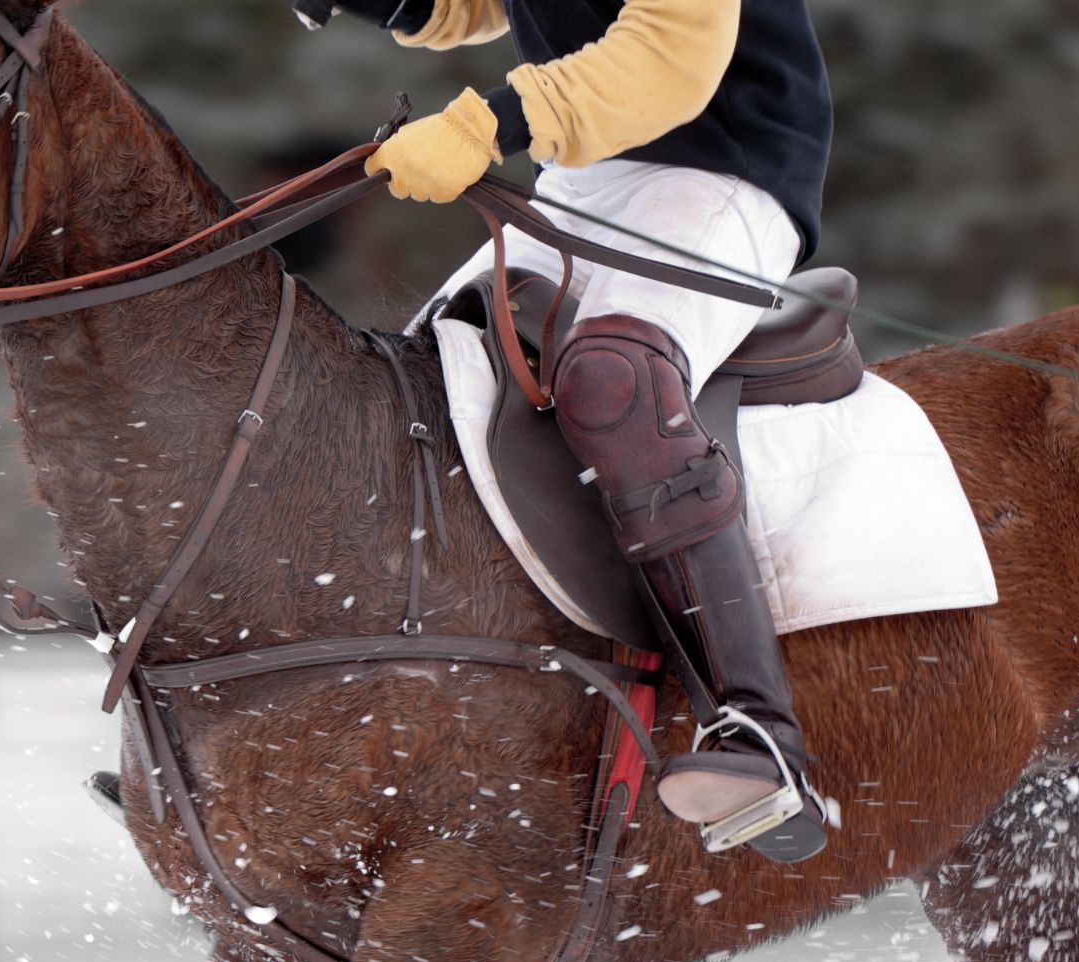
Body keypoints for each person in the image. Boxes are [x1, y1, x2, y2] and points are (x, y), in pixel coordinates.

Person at [342, 0, 834, 860]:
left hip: (722, 171)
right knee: (408, 395)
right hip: (583, 177)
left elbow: (669, 56)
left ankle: (759, 732)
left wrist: (486, 122)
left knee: (617, 381)